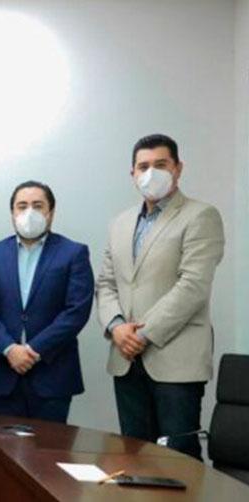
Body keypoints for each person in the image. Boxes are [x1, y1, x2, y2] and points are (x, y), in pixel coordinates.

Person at [96, 134, 224, 460]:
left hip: (176, 359)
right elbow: (107, 283)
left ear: (178, 169)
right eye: (143, 166)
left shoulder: (200, 216)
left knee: (178, 460)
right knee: (134, 456)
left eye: (161, 164)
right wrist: (116, 327)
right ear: (133, 174)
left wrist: (143, 334)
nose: (151, 173)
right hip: (126, 359)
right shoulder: (120, 223)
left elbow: (193, 286)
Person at [0, 181, 93, 423]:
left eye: (38, 206)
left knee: (49, 446)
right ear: (12, 213)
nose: (29, 212)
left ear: (51, 212)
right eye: (22, 206)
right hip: (2, 375)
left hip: (52, 375)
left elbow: (76, 311)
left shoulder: (74, 253)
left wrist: (33, 350)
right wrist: (9, 349)